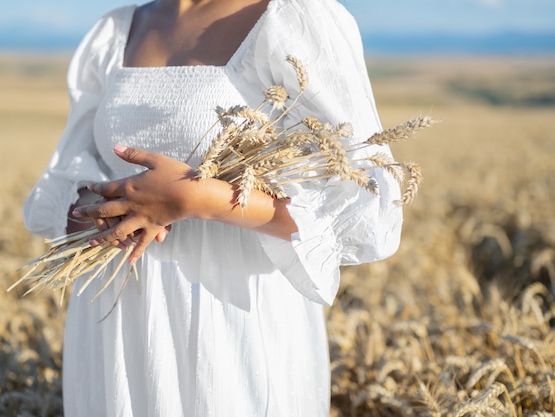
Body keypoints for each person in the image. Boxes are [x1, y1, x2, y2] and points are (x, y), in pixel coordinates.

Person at [23, 0, 403, 415]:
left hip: (230, 319)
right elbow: (69, 173)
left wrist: (201, 198)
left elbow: (367, 208)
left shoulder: (295, 18)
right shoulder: (116, 31)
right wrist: (96, 213)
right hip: (114, 315)